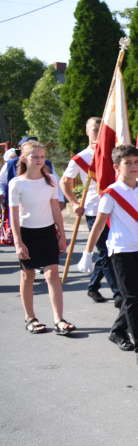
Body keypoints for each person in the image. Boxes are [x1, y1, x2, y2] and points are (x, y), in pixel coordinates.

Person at [78, 145, 138, 371]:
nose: (133, 166)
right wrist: (87, 253)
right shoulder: (110, 194)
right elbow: (99, 226)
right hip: (121, 252)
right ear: (116, 167)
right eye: (127, 162)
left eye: (135, 162)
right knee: (132, 299)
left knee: (134, 298)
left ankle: (118, 330)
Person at [9, 141, 72, 335]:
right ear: (24, 159)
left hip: (47, 232)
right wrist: (18, 242)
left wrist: (62, 236)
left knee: (52, 274)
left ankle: (59, 319)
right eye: (35, 156)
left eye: (42, 156)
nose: (39, 160)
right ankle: (30, 317)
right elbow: (14, 215)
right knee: (28, 275)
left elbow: (55, 209)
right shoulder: (16, 183)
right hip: (27, 233)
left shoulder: (51, 180)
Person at [62, 117, 121, 306]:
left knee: (109, 250)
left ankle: (93, 286)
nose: (97, 133)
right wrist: (73, 203)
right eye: (94, 130)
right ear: (87, 131)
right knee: (105, 250)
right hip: (94, 210)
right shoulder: (80, 158)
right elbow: (64, 181)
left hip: (114, 208)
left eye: (100, 130)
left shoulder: (113, 154)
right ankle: (118, 293)